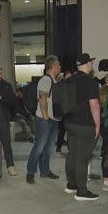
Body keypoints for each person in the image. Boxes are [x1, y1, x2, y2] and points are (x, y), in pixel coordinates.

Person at [63, 53, 101, 201]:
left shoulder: (69, 79)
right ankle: (81, 191)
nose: (92, 64)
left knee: (72, 154)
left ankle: (71, 185)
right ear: (87, 64)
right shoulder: (90, 81)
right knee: (82, 158)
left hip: (70, 123)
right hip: (85, 124)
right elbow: (94, 105)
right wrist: (97, 124)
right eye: (91, 62)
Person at [26, 55, 61, 184]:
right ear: (53, 66)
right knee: (39, 147)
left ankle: (45, 171)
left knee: (48, 147)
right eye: (58, 64)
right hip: (44, 119)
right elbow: (42, 99)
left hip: (52, 119)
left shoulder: (53, 80)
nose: (60, 67)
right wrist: (46, 117)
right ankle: (30, 172)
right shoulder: (46, 80)